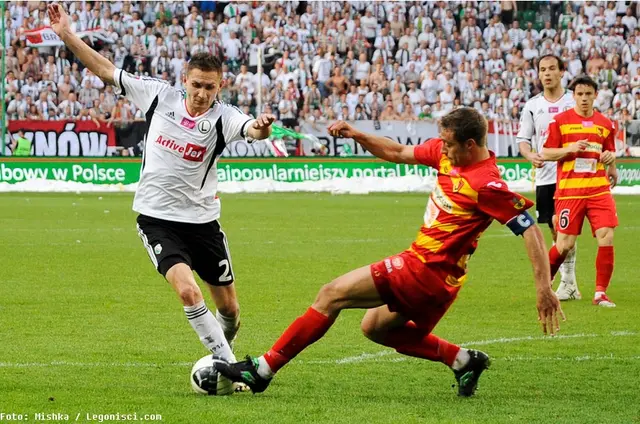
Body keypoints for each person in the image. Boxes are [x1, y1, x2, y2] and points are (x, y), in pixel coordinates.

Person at [213, 107, 564, 396]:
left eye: (448, 144)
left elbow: (530, 229)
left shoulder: (485, 183)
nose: (441, 149)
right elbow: (397, 152)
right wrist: (358, 135)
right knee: (375, 328)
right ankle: (462, 361)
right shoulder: (448, 158)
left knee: (331, 294)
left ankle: (262, 370)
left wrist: (544, 287)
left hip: (424, 269)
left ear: (469, 145)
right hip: (442, 283)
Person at [48, 3, 276, 363]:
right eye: (196, 85)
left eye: (209, 87)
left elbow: (253, 130)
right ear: (185, 79)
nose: (201, 93)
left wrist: (261, 127)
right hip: (156, 219)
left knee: (230, 310)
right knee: (188, 292)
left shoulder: (224, 117)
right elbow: (106, 70)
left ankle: (222, 353)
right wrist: (66, 35)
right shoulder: (158, 96)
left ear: (221, 86)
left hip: (202, 223)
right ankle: (230, 368)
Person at [542, 75, 619, 308]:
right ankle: (545, 284)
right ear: (573, 95)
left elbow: (609, 151)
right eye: (579, 94)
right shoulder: (560, 121)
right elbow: (546, 152)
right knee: (564, 244)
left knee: (607, 236)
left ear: (596, 95)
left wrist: (611, 163)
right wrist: (569, 149)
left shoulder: (606, 124)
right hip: (569, 192)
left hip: (598, 190)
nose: (584, 98)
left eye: (588, 94)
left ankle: (600, 294)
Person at [517, 55, 580, 301]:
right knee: (556, 231)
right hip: (545, 177)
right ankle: (570, 284)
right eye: (543, 69)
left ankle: (567, 283)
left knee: (564, 230)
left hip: (571, 177)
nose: (547, 73)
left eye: (552, 68)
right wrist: (530, 155)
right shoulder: (533, 105)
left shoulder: (573, 101)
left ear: (562, 71)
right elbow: (523, 140)